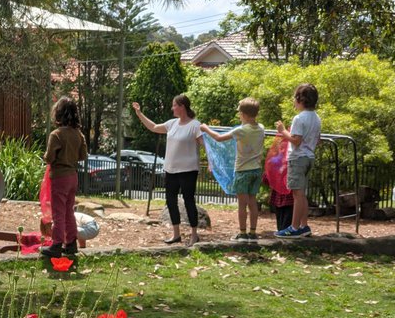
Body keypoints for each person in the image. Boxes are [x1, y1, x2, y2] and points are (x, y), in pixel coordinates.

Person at [133, 95, 203, 246]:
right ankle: (176, 234)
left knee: (189, 201)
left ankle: (194, 235)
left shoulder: (195, 125)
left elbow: (205, 144)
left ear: (182, 106)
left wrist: (212, 162)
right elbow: (153, 127)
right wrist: (139, 113)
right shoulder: (171, 124)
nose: (172, 108)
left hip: (188, 170)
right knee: (171, 201)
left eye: (174, 105)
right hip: (170, 170)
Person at [200, 97, 265, 241]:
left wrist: (205, 128)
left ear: (244, 114)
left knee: (242, 204)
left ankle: (242, 233)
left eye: (240, 113)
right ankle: (253, 232)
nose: (239, 115)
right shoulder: (261, 128)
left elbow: (218, 138)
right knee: (252, 202)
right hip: (256, 170)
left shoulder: (241, 130)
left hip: (242, 171)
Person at [40, 96, 87, 258]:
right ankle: (71, 243)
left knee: (58, 213)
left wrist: (47, 157)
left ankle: (57, 244)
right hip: (73, 177)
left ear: (58, 113)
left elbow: (49, 158)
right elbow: (83, 156)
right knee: (69, 211)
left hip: (59, 177)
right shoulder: (79, 134)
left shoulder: (56, 135)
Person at [275, 83, 321, 238]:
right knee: (302, 194)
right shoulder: (316, 118)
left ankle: (294, 228)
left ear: (301, 99)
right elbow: (317, 139)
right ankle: (303, 225)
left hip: (298, 158)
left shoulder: (299, 118)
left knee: (297, 194)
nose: (293, 101)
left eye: (295, 98)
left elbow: (296, 140)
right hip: (309, 157)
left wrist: (283, 131)